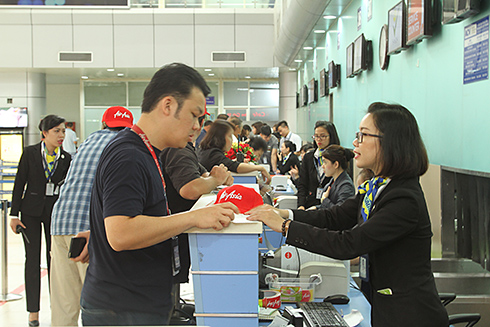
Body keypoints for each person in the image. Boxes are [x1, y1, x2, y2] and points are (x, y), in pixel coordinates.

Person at [247, 102, 449, 327]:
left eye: (363, 136)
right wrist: (284, 213)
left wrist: (285, 227)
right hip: (385, 307)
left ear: (389, 142)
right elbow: (334, 217)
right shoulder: (378, 186)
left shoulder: (403, 199)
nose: (355, 143)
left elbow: (349, 243)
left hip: (410, 315)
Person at [78, 63, 239, 326]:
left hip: (137, 302)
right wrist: (193, 218)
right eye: (194, 115)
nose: (198, 127)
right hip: (123, 309)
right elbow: (120, 234)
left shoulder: (148, 152)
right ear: (167, 105)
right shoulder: (129, 155)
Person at [49, 106, 134, 326]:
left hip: (60, 222)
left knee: (64, 304)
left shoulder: (88, 142)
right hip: (89, 230)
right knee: (101, 308)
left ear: (104, 124)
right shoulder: (125, 146)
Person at [160, 120, 234, 321]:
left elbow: (202, 175)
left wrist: (215, 177)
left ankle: (173, 313)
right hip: (171, 229)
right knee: (167, 289)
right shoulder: (178, 148)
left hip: (174, 228)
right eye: (191, 117)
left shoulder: (186, 148)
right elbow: (190, 188)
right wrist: (216, 180)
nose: (197, 127)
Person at [9, 115, 72, 327]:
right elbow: (19, 184)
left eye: (63, 131)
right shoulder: (30, 153)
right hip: (30, 213)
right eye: (57, 131)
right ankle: (33, 312)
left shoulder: (67, 158)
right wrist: (13, 214)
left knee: (55, 261)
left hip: (55, 213)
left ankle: (58, 308)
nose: (61, 135)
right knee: (32, 261)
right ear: (44, 133)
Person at [197, 119, 271, 184]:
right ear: (221, 138)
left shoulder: (206, 150)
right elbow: (236, 167)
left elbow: (229, 163)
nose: (232, 140)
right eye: (230, 136)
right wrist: (260, 168)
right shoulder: (213, 154)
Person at [297, 121, 340, 209]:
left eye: (323, 136)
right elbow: (303, 184)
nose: (319, 139)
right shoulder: (309, 157)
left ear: (331, 137)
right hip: (310, 205)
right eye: (316, 136)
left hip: (329, 206)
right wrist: (301, 205)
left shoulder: (338, 157)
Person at [307, 144, 355, 210]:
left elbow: (340, 212)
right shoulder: (333, 181)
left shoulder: (346, 186)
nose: (323, 166)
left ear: (336, 164)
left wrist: (324, 200)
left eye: (325, 162)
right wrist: (316, 208)